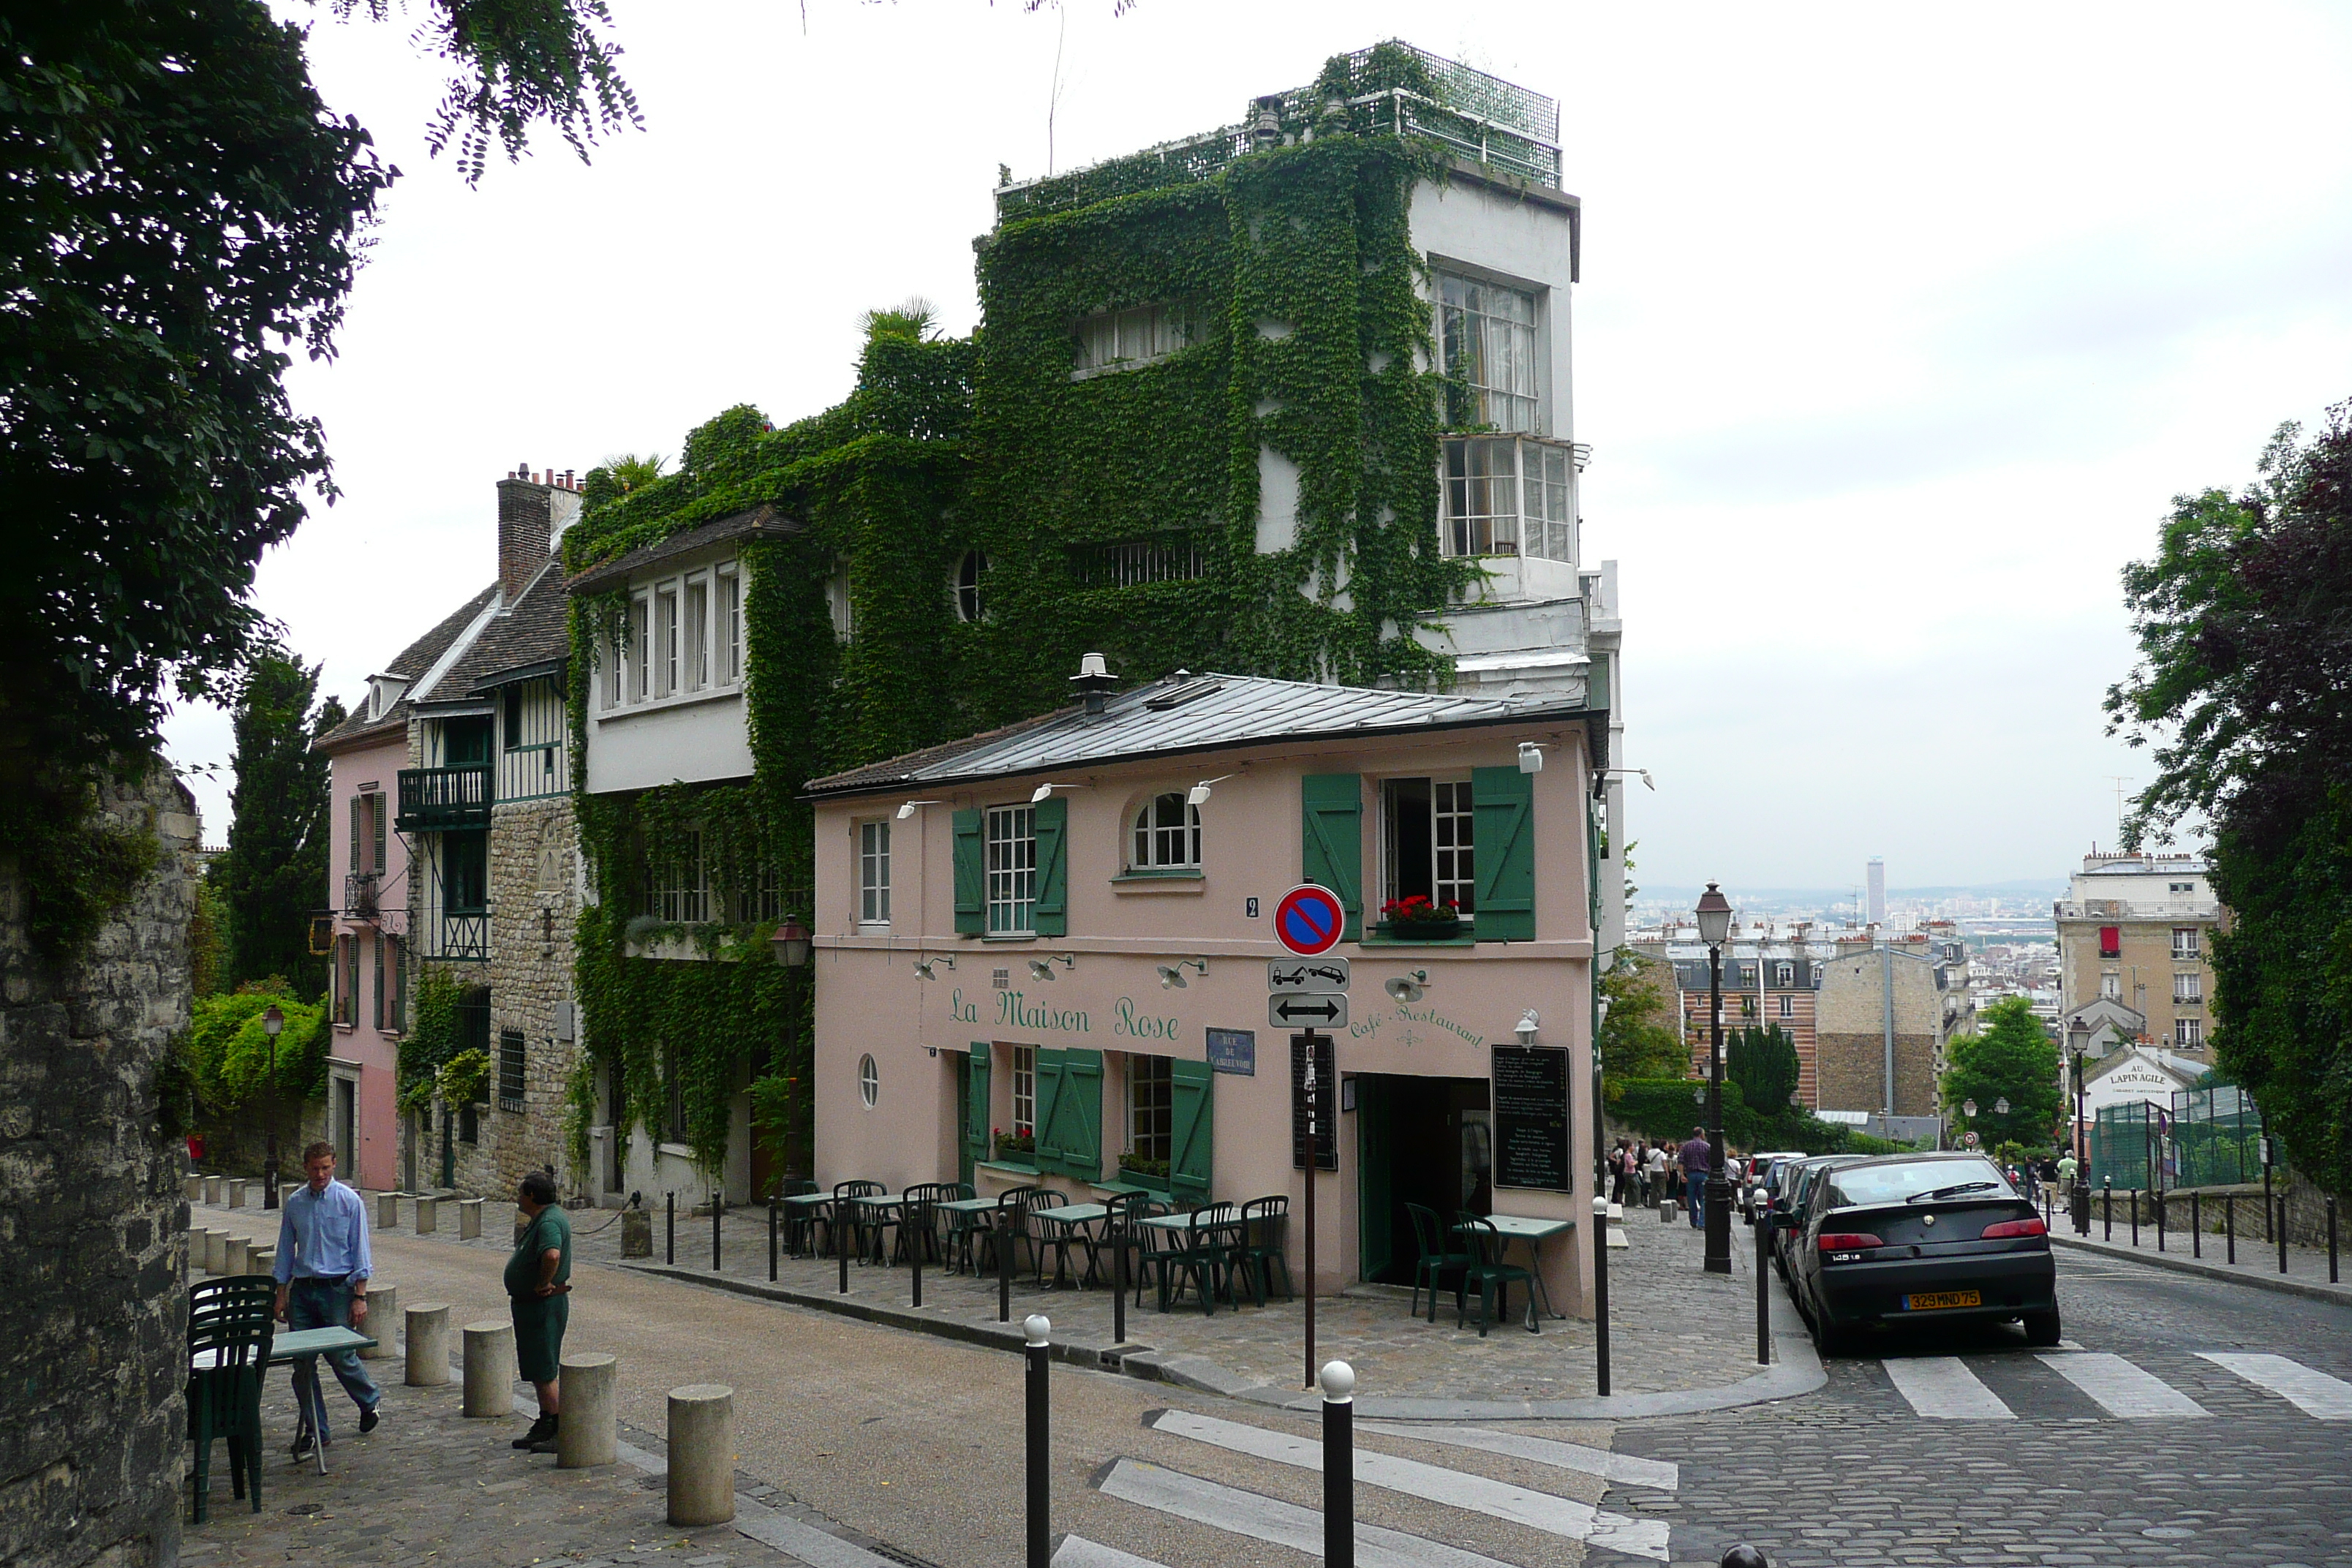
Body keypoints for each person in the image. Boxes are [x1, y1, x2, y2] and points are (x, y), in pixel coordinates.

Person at [271, 1142, 381, 1458]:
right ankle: (316, 1430)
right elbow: (285, 1250)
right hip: (303, 1290)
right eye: (314, 1168)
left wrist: (360, 1296)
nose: (320, 1174)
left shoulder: (349, 1202)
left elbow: (360, 1249)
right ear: (305, 1167)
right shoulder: (295, 1203)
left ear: (334, 1165)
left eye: (325, 1167)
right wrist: (281, 1293)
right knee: (302, 1365)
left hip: (337, 1289)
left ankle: (369, 1399)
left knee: (341, 1356)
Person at [508, 1169, 574, 1454]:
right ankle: (546, 1421)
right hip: (533, 1304)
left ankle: (558, 1428)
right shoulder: (545, 1218)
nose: (518, 1198)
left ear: (532, 1195)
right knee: (537, 1367)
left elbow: (552, 1254)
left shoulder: (549, 1222)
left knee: (545, 1368)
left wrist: (543, 1282)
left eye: (521, 1192)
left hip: (542, 1305)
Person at [1678, 1125, 1713, 1229]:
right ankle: (1702, 1223)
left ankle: (1693, 1221)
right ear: (1702, 1135)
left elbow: (1680, 1161)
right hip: (1704, 1174)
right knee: (1704, 1199)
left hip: (1690, 1175)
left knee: (1691, 1199)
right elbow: (1711, 1162)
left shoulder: (1686, 1146)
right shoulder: (1707, 1146)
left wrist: (1682, 1175)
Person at [1644, 1141, 1669, 1207]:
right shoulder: (1661, 1153)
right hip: (1661, 1171)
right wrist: (1667, 1173)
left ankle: (1653, 1204)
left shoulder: (1649, 1152)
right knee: (1662, 1189)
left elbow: (1648, 1160)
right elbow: (1664, 1163)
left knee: (1653, 1188)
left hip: (1653, 1171)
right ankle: (1662, 1203)